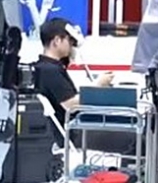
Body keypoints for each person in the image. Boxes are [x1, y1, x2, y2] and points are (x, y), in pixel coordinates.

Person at [34, 18, 137, 154]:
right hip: (74, 133)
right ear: (57, 41)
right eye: (70, 41)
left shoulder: (48, 67)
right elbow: (70, 105)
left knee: (134, 128)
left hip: (77, 126)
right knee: (137, 138)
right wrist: (97, 85)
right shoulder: (50, 71)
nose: (72, 45)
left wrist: (71, 58)